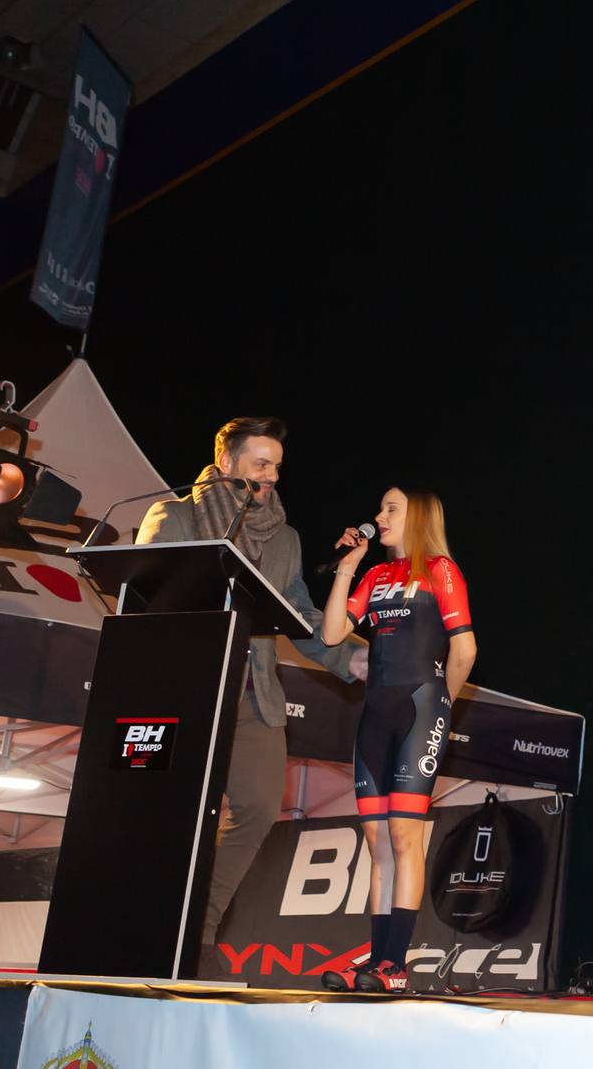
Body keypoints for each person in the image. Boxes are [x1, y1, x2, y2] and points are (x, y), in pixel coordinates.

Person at [137, 417, 361, 967]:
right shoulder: (174, 514)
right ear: (228, 462)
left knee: (259, 806)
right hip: (184, 690)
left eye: (278, 466)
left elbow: (299, 615)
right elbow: (147, 591)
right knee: (174, 812)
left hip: (253, 694)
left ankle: (199, 932)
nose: (272, 475)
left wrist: (355, 656)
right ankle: (150, 926)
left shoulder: (285, 539)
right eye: (261, 464)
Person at [320, 488, 476, 994]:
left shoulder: (441, 570)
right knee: (377, 844)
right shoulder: (374, 575)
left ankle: (394, 963)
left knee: (406, 837)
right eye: (380, 508)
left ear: (419, 517)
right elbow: (331, 634)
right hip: (375, 716)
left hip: (420, 711)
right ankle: (375, 959)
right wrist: (349, 566)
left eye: (391, 509)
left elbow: (465, 649)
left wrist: (443, 707)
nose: (378, 516)